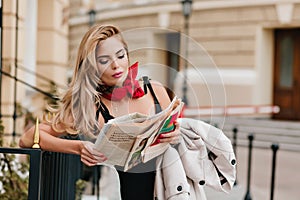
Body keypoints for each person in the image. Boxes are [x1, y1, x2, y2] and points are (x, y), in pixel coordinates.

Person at [19, 24, 180, 200]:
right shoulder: (90, 107)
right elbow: (28, 138)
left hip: (176, 188)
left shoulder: (154, 90)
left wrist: (176, 133)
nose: (116, 65)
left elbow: (179, 136)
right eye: (104, 61)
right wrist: (78, 148)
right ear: (91, 67)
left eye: (121, 56)